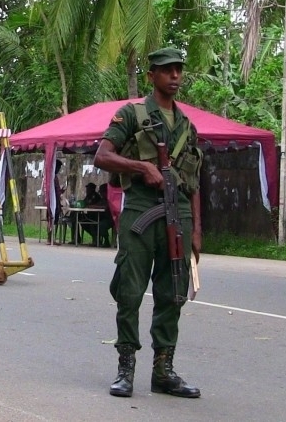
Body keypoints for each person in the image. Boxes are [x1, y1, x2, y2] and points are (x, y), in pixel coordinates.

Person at [93, 47, 203, 398]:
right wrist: (141, 167)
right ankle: (126, 368)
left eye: (178, 70)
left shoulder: (187, 125)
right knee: (130, 290)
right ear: (152, 75)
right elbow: (103, 156)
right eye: (167, 70)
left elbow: (195, 181)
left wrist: (197, 229)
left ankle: (163, 371)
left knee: (172, 293)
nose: (174, 76)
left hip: (179, 213)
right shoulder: (131, 114)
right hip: (141, 208)